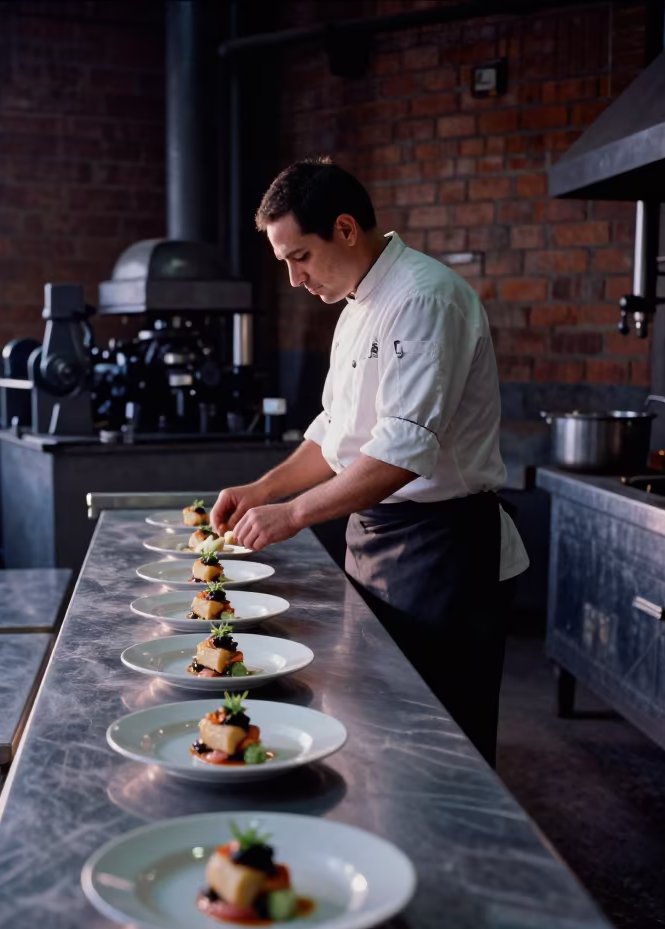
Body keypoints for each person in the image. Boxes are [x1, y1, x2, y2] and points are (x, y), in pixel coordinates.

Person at [213, 157, 528, 766]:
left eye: (299, 256)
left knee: (439, 744)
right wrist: (262, 490)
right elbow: (336, 435)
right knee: (379, 729)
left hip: (443, 554)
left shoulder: (426, 298)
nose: (295, 279)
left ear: (347, 229)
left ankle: (445, 861)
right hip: (376, 542)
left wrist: (293, 515)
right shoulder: (356, 307)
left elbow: (401, 455)